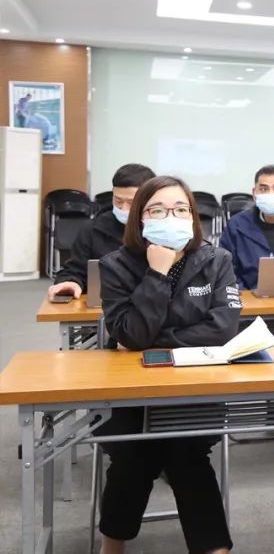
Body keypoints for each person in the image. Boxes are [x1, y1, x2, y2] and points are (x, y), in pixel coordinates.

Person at [98, 175, 238, 554]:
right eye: (157, 210)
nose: (170, 217)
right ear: (140, 218)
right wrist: (157, 273)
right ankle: (112, 545)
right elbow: (131, 333)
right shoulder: (116, 266)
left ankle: (214, 549)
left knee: (186, 452)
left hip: (194, 388)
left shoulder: (216, 260)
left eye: (180, 209)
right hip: (132, 393)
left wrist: (155, 342)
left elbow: (223, 328)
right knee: (133, 455)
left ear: (193, 216)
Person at [47, 163, 156, 301]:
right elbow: (74, 270)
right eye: (118, 201)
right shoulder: (93, 229)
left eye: (131, 202)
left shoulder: (162, 231)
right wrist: (71, 282)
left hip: (155, 305)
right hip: (104, 308)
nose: (123, 209)